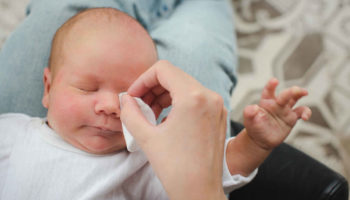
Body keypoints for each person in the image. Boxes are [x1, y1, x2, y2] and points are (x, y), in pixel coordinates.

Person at [0, 8, 311, 200]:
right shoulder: (13, 134)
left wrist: (253, 144)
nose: (110, 105)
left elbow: (208, 173)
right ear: (48, 87)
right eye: (87, 88)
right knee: (200, 35)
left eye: (129, 95)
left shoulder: (140, 162)